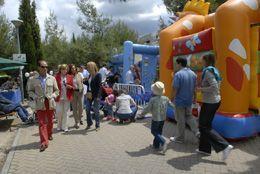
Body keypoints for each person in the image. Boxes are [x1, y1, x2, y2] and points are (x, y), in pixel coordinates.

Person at [196, 54, 233, 161]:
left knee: (203, 126)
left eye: (202, 59)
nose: (201, 61)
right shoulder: (214, 70)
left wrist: (201, 89)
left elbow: (214, 87)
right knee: (206, 125)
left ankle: (224, 146)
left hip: (210, 102)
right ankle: (204, 149)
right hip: (214, 101)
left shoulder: (208, 71)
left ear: (206, 60)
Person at [28, 60, 59, 152]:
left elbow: (57, 91)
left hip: (49, 102)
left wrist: (53, 96)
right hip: (40, 103)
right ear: (38, 67)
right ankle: (44, 142)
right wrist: (35, 97)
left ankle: (49, 134)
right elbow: (30, 91)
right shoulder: (33, 79)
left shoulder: (52, 78)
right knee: (42, 123)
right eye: (43, 67)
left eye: (46, 67)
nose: (45, 68)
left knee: (50, 121)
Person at [170, 57, 200, 143]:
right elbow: (195, 88)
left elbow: (175, 88)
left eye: (177, 63)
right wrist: (195, 98)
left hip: (180, 101)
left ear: (179, 64)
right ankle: (197, 132)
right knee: (189, 116)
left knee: (180, 119)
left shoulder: (178, 74)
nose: (176, 65)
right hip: (189, 100)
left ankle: (180, 138)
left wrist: (171, 98)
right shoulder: (193, 74)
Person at [140, 81, 174, 154]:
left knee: (154, 131)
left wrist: (141, 114)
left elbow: (147, 108)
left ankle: (163, 141)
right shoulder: (166, 98)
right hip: (163, 118)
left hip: (156, 118)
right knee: (159, 132)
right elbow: (172, 105)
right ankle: (156, 145)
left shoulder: (153, 99)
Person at [55, 64, 74, 132]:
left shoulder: (70, 77)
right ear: (60, 70)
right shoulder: (56, 77)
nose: (64, 70)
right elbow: (54, 87)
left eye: (66, 69)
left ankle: (65, 126)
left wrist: (70, 87)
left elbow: (73, 87)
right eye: (63, 69)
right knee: (59, 112)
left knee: (66, 112)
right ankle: (59, 125)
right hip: (59, 97)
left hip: (67, 97)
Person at [84, 62, 102, 131]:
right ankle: (89, 123)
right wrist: (84, 81)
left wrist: (97, 96)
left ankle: (97, 125)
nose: (87, 68)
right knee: (87, 109)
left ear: (92, 67)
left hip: (96, 95)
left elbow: (99, 86)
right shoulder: (89, 75)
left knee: (96, 110)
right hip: (89, 94)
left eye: (88, 67)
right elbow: (89, 84)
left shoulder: (98, 75)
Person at [68, 64, 84, 129]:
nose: (74, 69)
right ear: (70, 69)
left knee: (81, 107)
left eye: (74, 68)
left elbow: (82, 82)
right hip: (73, 93)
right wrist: (69, 86)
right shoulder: (68, 76)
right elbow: (66, 84)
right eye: (72, 68)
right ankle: (76, 122)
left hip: (80, 92)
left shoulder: (79, 74)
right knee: (74, 108)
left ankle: (79, 119)